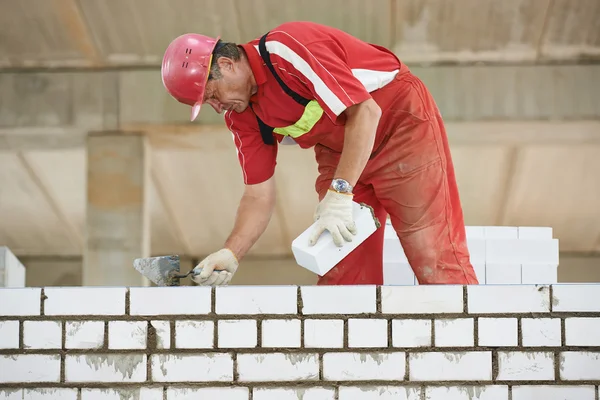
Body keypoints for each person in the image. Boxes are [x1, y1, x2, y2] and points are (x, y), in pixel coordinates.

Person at [160, 21, 479, 286]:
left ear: (227, 65)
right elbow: (258, 196)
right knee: (340, 270)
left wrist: (340, 192)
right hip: (342, 154)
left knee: (432, 255)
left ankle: (469, 353)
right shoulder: (242, 116)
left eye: (212, 96)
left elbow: (365, 112)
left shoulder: (285, 50)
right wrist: (231, 253)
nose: (217, 108)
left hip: (399, 127)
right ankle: (351, 359)